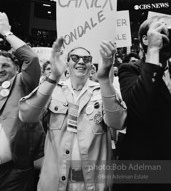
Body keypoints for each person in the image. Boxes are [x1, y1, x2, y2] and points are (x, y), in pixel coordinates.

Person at [19, 37, 127, 191]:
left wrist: (104, 80)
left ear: (91, 65)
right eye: (75, 58)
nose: (81, 61)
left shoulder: (103, 90)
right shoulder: (52, 89)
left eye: (87, 59)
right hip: (54, 183)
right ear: (67, 64)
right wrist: (53, 77)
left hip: (92, 183)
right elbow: (27, 116)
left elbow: (118, 123)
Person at [118, 16, 171, 189]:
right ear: (145, 39)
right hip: (143, 168)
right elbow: (138, 108)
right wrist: (154, 51)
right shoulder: (130, 69)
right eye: (161, 32)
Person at [0, 12, 44, 191]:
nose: (0, 70)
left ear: (17, 67)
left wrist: (6, 33)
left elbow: (32, 59)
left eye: (5, 65)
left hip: (15, 172)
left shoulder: (22, 83)